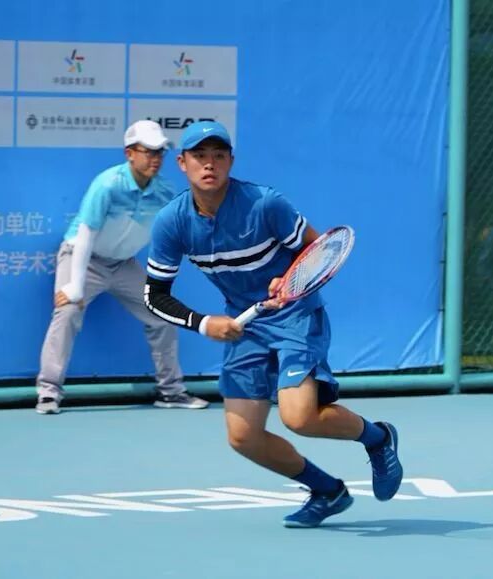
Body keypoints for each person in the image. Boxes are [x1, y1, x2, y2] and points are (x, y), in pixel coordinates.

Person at [144, 121, 403, 527]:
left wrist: (289, 277)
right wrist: (204, 323)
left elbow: (319, 249)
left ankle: (379, 438)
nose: (209, 164)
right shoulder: (171, 222)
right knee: (243, 437)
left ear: (231, 161)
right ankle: (327, 491)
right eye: (199, 156)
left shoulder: (265, 204)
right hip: (246, 325)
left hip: (295, 316)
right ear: (182, 163)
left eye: (218, 156)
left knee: (299, 417)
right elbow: (154, 295)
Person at [35, 120, 209, 415]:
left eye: (160, 152)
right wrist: (75, 285)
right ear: (130, 154)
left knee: (163, 315)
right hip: (81, 257)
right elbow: (86, 234)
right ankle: (48, 392)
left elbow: (181, 229)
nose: (156, 158)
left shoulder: (165, 191)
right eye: (148, 151)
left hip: (123, 265)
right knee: (67, 311)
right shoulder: (108, 184)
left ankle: (171, 392)